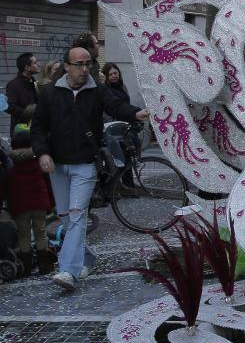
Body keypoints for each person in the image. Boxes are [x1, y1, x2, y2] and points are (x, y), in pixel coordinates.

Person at [30, 46, 149, 291]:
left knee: (76, 215)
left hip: (85, 165)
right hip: (58, 166)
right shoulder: (51, 93)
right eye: (79, 64)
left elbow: (117, 106)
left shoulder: (97, 91)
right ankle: (86, 257)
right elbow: (39, 127)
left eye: (88, 64)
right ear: (67, 67)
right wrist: (42, 153)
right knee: (66, 217)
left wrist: (137, 114)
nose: (85, 69)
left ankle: (68, 271)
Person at [0, 125, 54, 276]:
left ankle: (27, 266)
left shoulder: (11, 170)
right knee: (41, 233)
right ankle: (44, 265)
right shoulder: (39, 166)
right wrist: (51, 203)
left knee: (23, 236)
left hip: (19, 207)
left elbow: (4, 190)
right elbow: (48, 186)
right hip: (39, 205)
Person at [5, 53, 39, 137]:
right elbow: (9, 106)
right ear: (27, 68)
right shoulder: (14, 85)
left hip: (35, 129)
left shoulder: (34, 83)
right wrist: (28, 114)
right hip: (20, 132)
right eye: (35, 63)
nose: (38, 65)